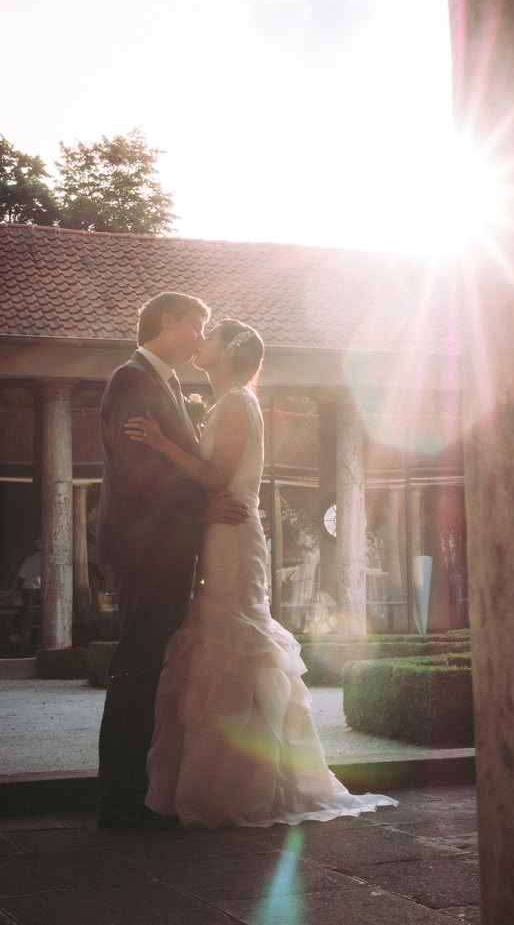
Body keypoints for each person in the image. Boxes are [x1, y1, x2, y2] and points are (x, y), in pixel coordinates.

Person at [125, 319, 397, 827]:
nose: (199, 341)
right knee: (218, 644)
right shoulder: (232, 402)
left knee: (234, 644)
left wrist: (162, 444)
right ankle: (232, 780)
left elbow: (217, 478)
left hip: (232, 536)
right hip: (221, 532)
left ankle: (239, 788)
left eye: (208, 337)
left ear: (229, 352)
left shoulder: (235, 404)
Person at [93, 292, 248, 831]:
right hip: (148, 549)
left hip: (167, 548)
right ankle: (118, 802)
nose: (203, 336)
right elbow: (140, 474)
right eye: (198, 324)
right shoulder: (131, 379)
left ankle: (135, 794)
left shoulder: (170, 384)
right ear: (168, 322)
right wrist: (203, 506)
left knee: (147, 669)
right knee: (134, 671)